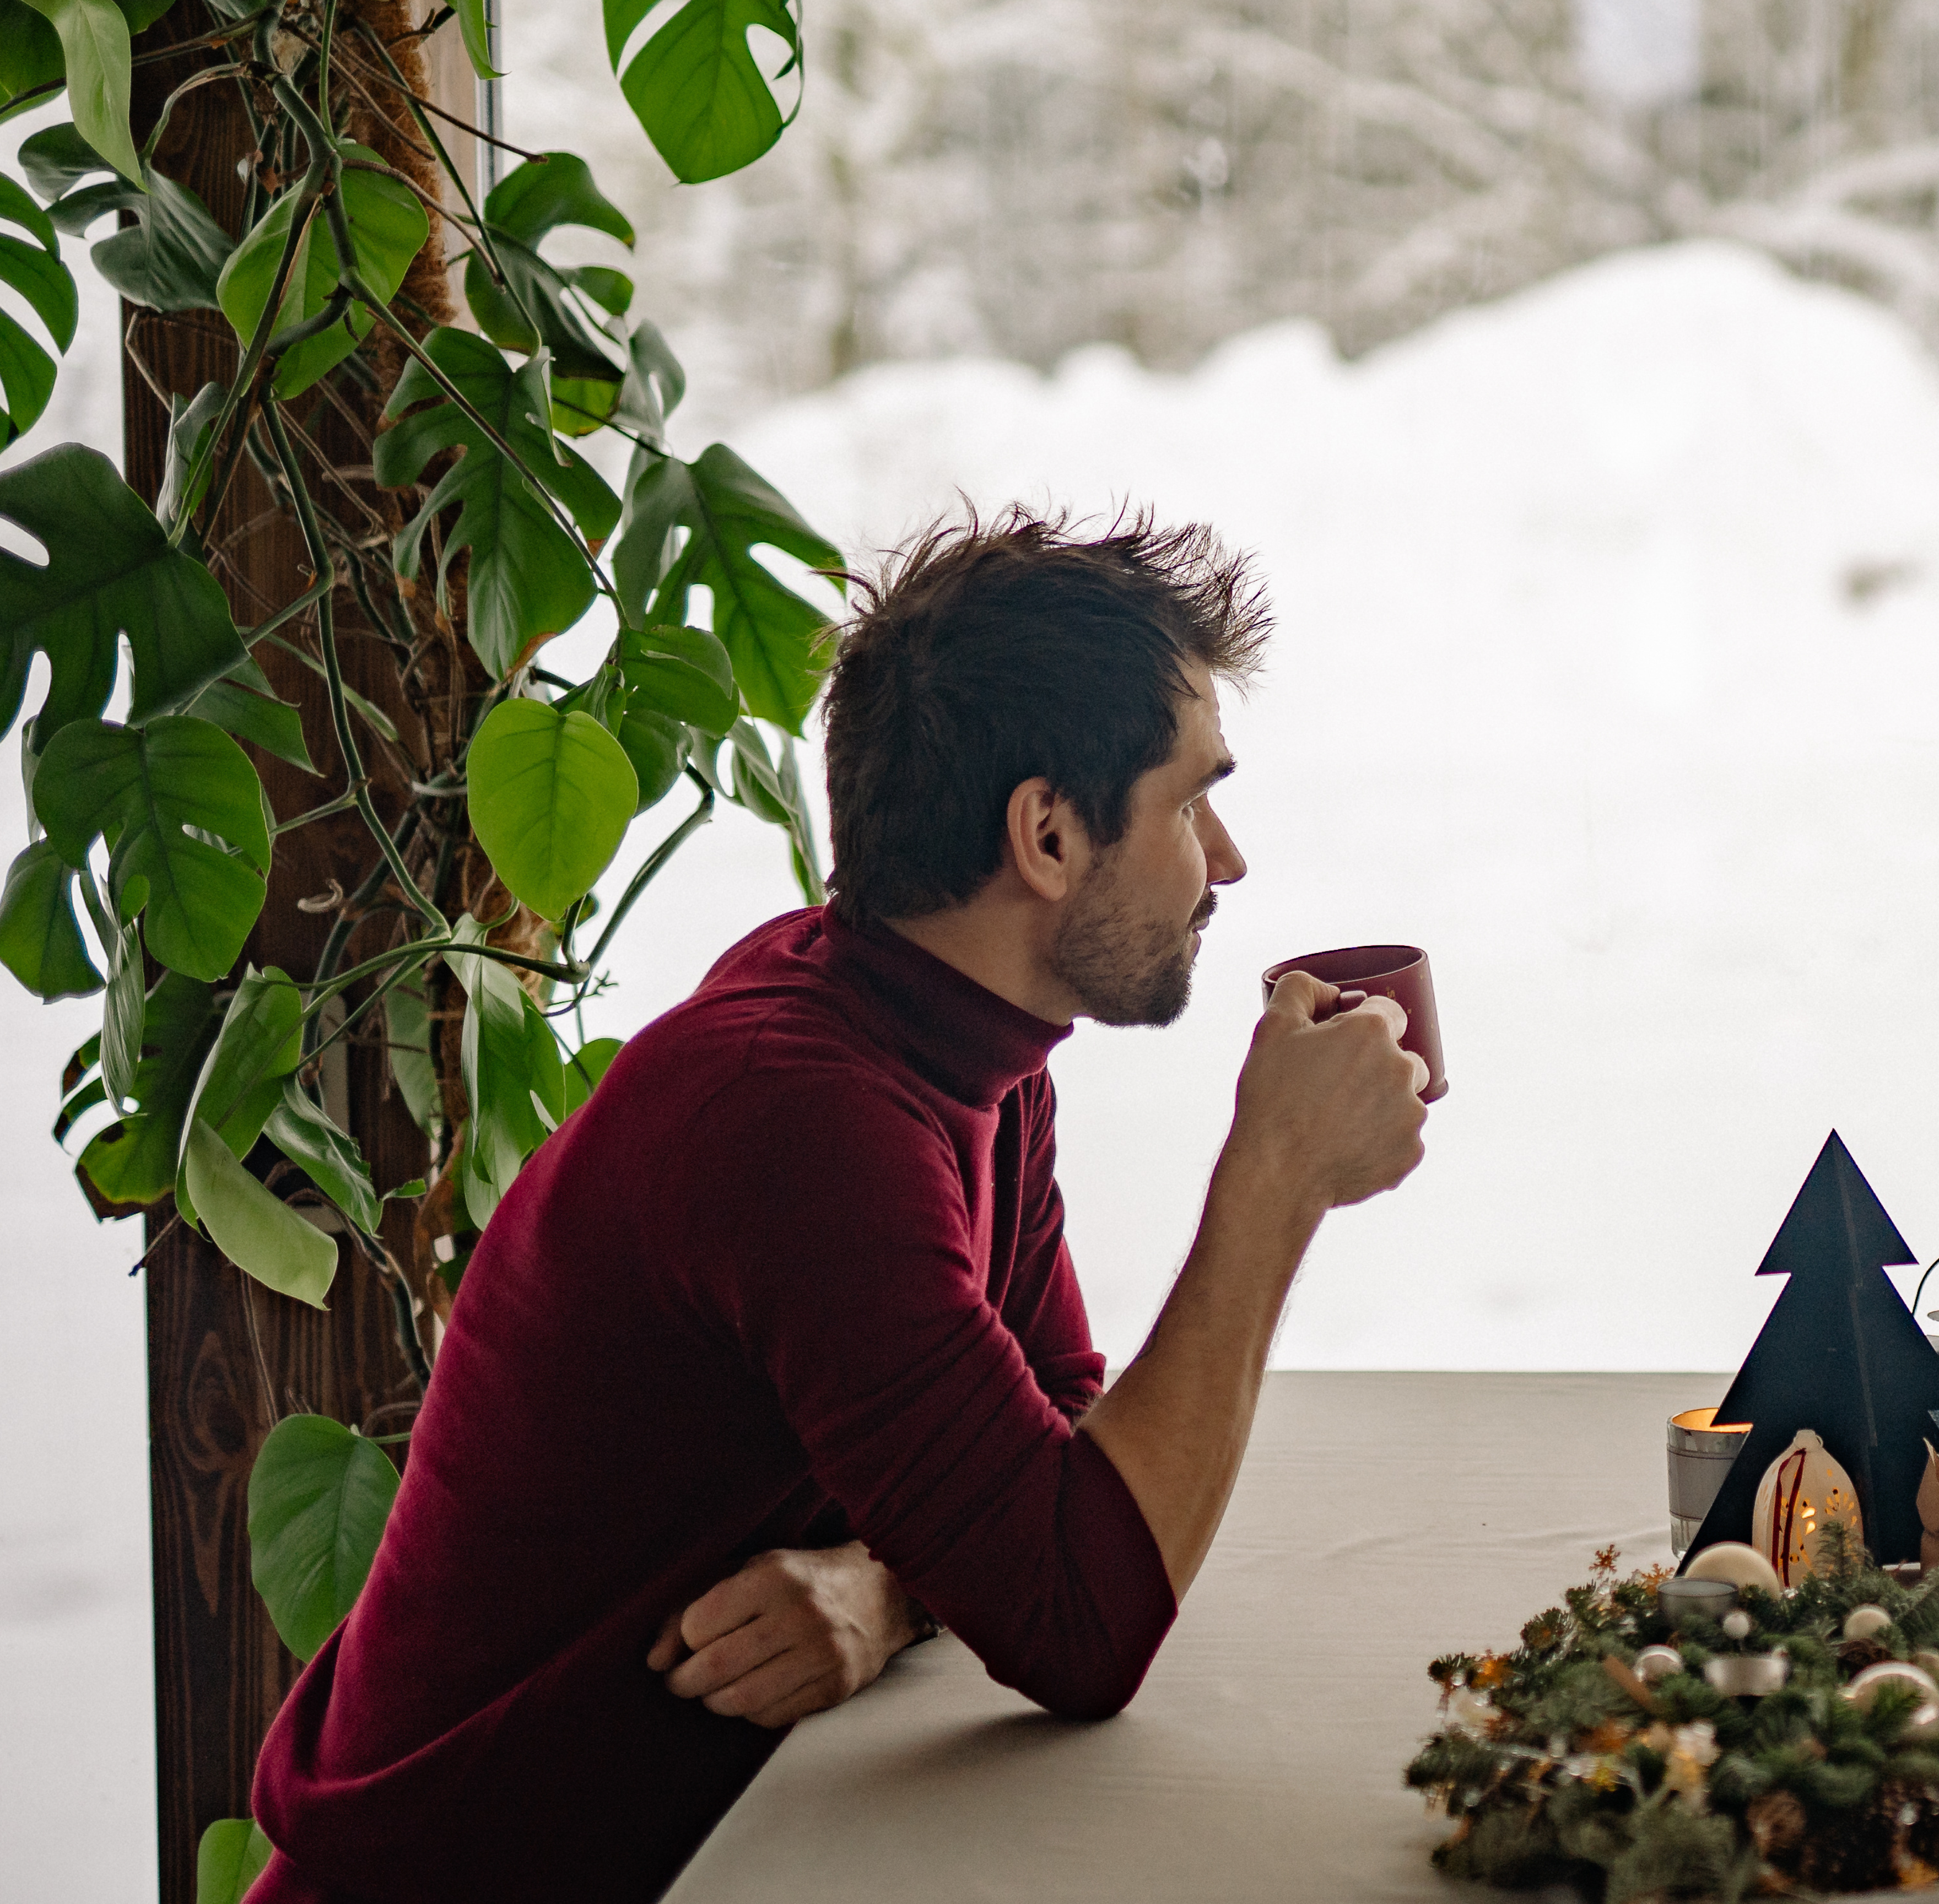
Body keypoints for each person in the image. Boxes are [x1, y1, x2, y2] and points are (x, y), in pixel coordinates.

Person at [245, 510, 1432, 1903]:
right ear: (1048, 835)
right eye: (1189, 803)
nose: (1225, 861)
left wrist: (888, 1587)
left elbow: (1054, 1413)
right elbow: (1083, 1622)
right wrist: (1276, 1181)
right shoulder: (800, 1119)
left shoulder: (945, 1034)